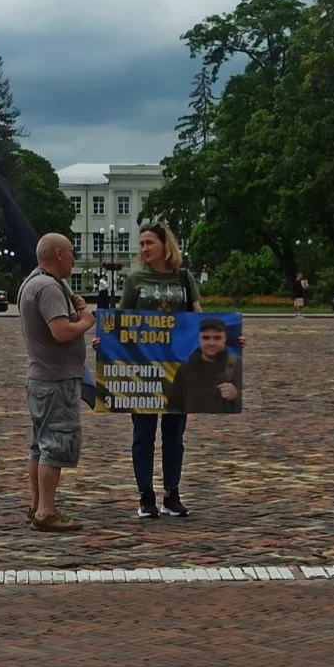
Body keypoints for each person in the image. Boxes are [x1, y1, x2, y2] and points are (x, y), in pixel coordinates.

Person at [118, 222, 201, 519]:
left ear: (166, 246)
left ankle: (172, 493)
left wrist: (228, 340)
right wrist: (107, 340)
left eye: (150, 242)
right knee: (143, 433)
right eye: (141, 243)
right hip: (143, 367)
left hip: (177, 366)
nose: (144, 249)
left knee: (174, 433)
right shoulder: (135, 279)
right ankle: (146, 495)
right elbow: (121, 319)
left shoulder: (183, 277)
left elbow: (197, 318)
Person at [18, 233, 95, 532]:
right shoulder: (48, 287)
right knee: (56, 444)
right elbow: (61, 332)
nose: (75, 258)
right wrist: (86, 321)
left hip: (42, 378)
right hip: (55, 381)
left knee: (39, 445)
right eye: (72, 252)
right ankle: (46, 512)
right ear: (60, 254)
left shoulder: (32, 282)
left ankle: (38, 505)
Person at [167, 317, 242, 414]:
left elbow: (253, 399)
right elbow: (174, 406)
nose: (211, 343)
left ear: (225, 339)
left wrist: (236, 396)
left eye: (217, 338)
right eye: (206, 338)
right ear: (199, 340)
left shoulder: (237, 365)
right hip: (193, 426)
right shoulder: (185, 370)